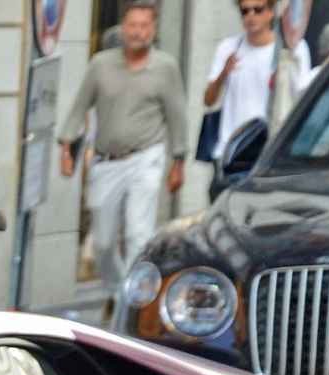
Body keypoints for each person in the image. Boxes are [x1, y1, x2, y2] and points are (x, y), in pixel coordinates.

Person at [60, 0, 187, 314]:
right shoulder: (101, 65)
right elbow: (78, 108)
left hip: (147, 156)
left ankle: (132, 305)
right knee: (102, 243)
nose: (138, 32)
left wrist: (179, 161)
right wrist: (66, 147)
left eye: (145, 26)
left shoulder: (165, 67)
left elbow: (178, 116)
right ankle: (118, 290)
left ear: (153, 29)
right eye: (133, 25)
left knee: (137, 233)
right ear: (122, 28)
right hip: (107, 161)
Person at [203, 0, 309, 190]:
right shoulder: (228, 48)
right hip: (231, 154)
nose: (250, 16)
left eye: (257, 10)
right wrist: (223, 73)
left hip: (269, 156)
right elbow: (208, 100)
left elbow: (302, 100)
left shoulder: (291, 50)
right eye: (244, 11)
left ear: (270, 12)